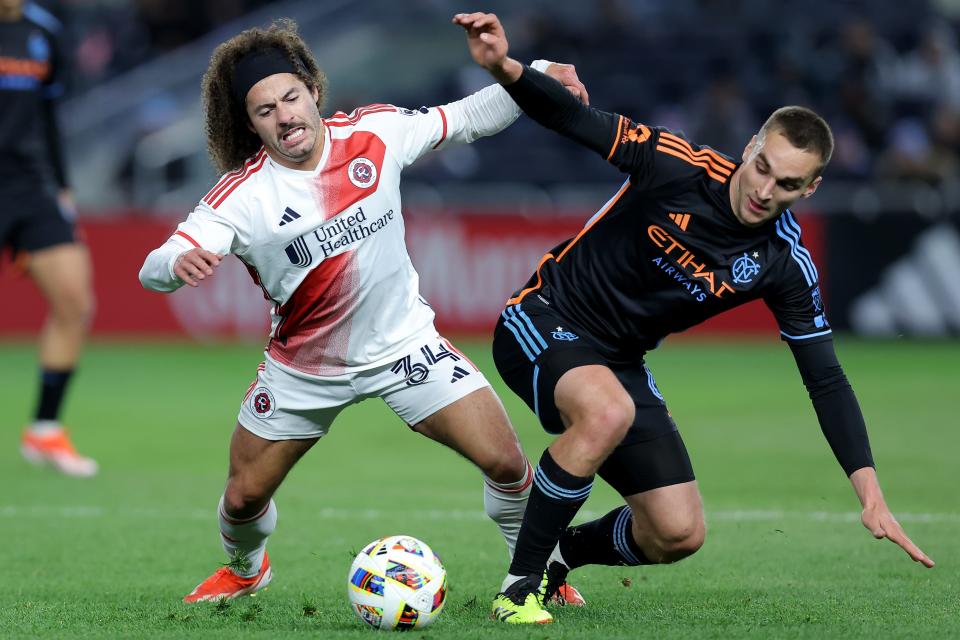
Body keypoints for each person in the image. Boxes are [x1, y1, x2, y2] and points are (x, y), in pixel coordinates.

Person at [452, 12, 936, 625]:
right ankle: (516, 590)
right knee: (607, 411)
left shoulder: (784, 264)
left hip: (619, 361)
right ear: (751, 145)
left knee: (677, 532)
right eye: (762, 166)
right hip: (543, 317)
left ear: (808, 190)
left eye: (786, 184)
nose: (764, 189)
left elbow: (826, 378)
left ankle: (560, 558)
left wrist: (870, 495)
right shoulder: (676, 164)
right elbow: (575, 118)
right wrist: (503, 67)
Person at [139, 18, 588, 604]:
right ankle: (248, 568)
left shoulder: (374, 132)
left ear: (314, 91)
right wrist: (177, 265)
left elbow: (468, 117)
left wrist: (534, 77)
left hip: (405, 346)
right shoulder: (242, 196)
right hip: (304, 370)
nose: (286, 116)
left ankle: (535, 574)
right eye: (265, 109)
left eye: (292, 97)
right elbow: (159, 259)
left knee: (506, 461)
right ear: (251, 124)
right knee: (243, 499)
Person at [1, 0, 97, 477]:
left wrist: (63, 188)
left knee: (74, 302)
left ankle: (44, 430)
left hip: (29, 186)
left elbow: (49, 115)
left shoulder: (43, 33)